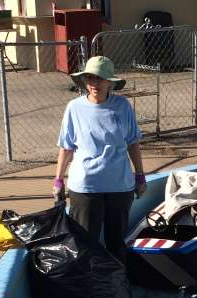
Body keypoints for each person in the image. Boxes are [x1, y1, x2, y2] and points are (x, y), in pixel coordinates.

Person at [53, 56, 147, 264]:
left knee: (116, 245)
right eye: (90, 78)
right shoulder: (74, 108)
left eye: (100, 79)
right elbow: (66, 147)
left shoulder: (122, 106)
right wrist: (58, 180)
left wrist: (140, 175)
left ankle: (116, 291)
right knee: (86, 245)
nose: (95, 84)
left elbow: (132, 142)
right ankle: (87, 293)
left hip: (119, 186)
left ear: (110, 82)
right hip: (86, 187)